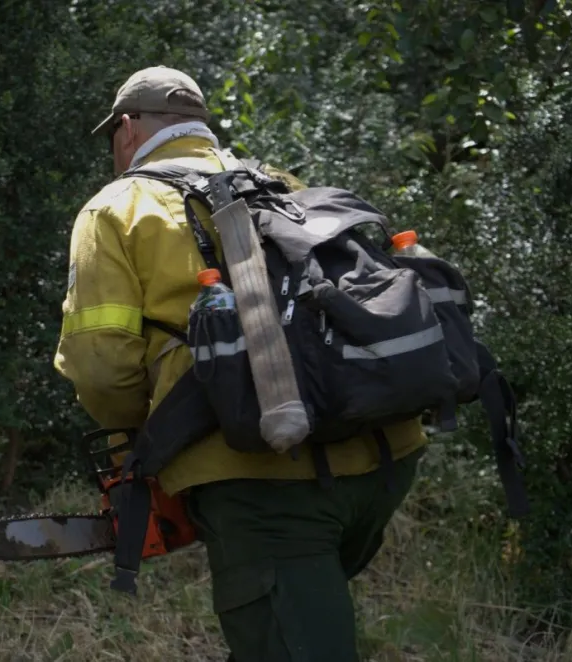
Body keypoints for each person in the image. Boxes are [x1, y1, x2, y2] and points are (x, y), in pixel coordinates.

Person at [53, 66, 428, 662]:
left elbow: (100, 365)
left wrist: (146, 442)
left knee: (287, 639)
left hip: (263, 481)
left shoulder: (116, 209)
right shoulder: (281, 182)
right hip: (384, 452)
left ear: (126, 129)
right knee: (286, 631)